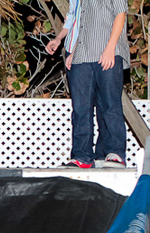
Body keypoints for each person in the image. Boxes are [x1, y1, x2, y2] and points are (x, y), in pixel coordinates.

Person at [46, 0, 129, 169]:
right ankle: (82, 156)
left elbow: (121, 15)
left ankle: (115, 153)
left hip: (107, 52)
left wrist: (110, 48)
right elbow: (81, 23)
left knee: (109, 105)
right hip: (82, 55)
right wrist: (74, 52)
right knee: (81, 109)